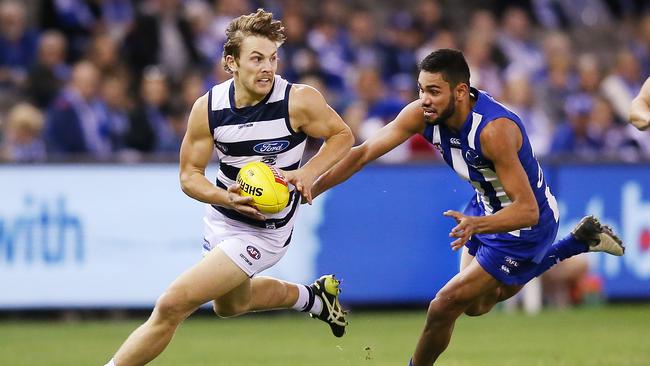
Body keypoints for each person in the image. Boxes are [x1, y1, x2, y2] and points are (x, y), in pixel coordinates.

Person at [310, 49, 625, 366]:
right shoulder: (423, 114)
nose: (425, 99)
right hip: (484, 207)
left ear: (460, 92)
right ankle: (578, 242)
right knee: (476, 306)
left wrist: (477, 226)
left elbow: (527, 209)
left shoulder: (493, 131)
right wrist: (311, 186)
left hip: (526, 225)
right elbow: (362, 153)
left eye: (434, 91)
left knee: (443, 305)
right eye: (421, 89)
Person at [104, 9, 353, 366]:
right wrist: (225, 198)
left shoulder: (298, 100)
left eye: (272, 58)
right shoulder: (208, 108)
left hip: (266, 230)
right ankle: (314, 299)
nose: (267, 67)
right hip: (223, 217)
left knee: (172, 304)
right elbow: (189, 175)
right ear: (230, 62)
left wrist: (308, 172)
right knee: (230, 305)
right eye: (256, 59)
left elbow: (342, 135)